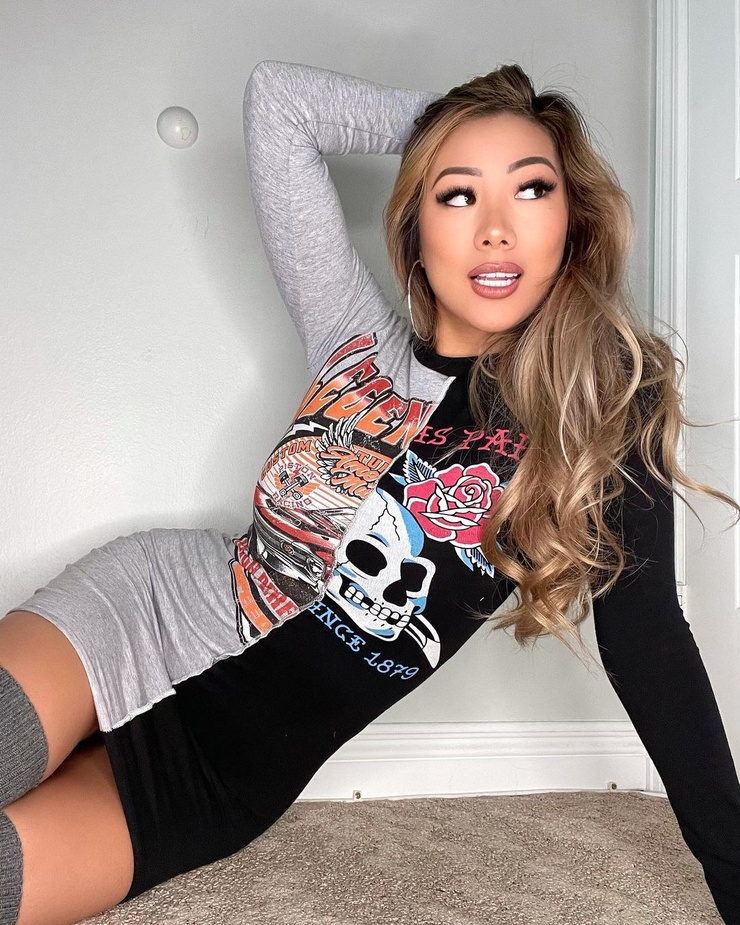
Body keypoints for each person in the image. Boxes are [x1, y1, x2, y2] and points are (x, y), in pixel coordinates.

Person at [1, 58, 739, 925]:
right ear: (417, 228)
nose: (495, 229)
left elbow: (649, 643)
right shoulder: (355, 336)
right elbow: (279, 105)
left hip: (219, 774)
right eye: (457, 193)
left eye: (532, 189)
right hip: (140, 615)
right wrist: (454, 120)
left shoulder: (598, 411)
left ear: (571, 221)